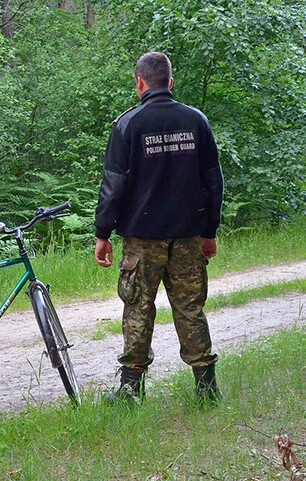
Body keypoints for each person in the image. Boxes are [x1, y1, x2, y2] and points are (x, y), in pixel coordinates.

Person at [93, 52, 225, 405]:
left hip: (142, 241)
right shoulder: (196, 121)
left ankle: (130, 390)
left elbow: (113, 186)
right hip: (188, 236)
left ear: (139, 82)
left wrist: (102, 233)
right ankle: (207, 389)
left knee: (137, 308)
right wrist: (209, 231)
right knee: (190, 309)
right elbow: (214, 182)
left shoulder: (128, 125)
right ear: (170, 81)